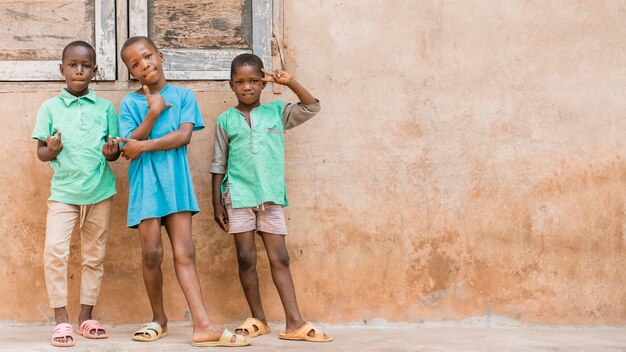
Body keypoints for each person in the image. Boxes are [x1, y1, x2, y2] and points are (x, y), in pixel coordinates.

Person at [117, 36, 248, 347]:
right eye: (135, 64)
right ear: (132, 72)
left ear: (160, 56)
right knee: (151, 255)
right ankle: (158, 319)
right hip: (146, 186)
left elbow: (183, 136)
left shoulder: (185, 96)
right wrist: (153, 112)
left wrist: (144, 144)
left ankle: (202, 324)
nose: (143, 64)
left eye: (147, 56)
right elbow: (128, 145)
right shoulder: (129, 103)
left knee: (184, 252)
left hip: (175, 185)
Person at [210, 53, 332, 343]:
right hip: (238, 197)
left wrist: (290, 83)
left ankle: (294, 322)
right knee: (245, 257)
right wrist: (216, 202)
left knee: (280, 257)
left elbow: (312, 106)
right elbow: (218, 163)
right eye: (240, 82)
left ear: (263, 84)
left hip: (270, 198)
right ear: (231, 85)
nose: (247, 87)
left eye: (254, 81)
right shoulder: (225, 120)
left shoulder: (278, 112)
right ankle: (258, 319)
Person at [32, 40, 120, 347]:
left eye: (85, 66)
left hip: (99, 190)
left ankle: (86, 317)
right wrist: (51, 149)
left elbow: (113, 152)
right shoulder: (50, 107)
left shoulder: (106, 108)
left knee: (94, 256)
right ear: (62, 70)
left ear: (94, 71)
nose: (79, 70)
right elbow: (41, 152)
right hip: (64, 192)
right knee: (55, 252)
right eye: (72, 65)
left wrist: (111, 153)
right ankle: (61, 319)